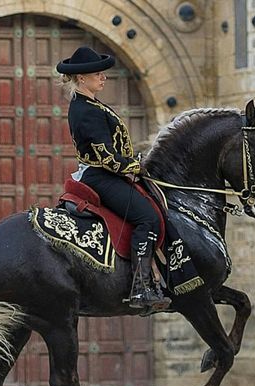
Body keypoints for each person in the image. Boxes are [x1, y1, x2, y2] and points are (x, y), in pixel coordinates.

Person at [56, 46, 171, 310]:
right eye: (98, 73)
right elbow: (106, 155)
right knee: (147, 218)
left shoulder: (90, 104)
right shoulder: (85, 110)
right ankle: (141, 288)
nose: (103, 77)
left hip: (108, 173)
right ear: (81, 78)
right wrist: (136, 166)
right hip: (101, 176)